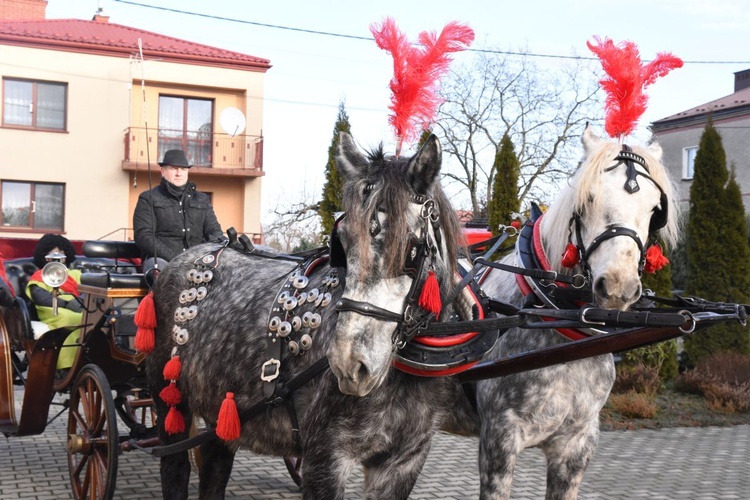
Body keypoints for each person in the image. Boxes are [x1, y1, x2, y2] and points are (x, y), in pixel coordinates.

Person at [133, 149, 225, 283]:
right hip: (162, 259)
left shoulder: (201, 199)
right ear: (163, 171)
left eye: (183, 169)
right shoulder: (148, 198)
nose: (179, 173)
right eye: (174, 168)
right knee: (166, 277)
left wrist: (222, 246)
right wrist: (177, 258)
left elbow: (213, 231)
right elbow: (144, 236)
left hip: (198, 259)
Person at [26, 234, 83, 370]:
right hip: (52, 309)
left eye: (60, 254)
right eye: (53, 254)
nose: (57, 258)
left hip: (80, 306)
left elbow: (89, 289)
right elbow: (41, 297)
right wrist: (67, 303)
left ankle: (86, 361)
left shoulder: (75, 274)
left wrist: (81, 301)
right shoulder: (40, 276)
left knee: (93, 318)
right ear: (45, 257)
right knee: (67, 318)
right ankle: (64, 366)